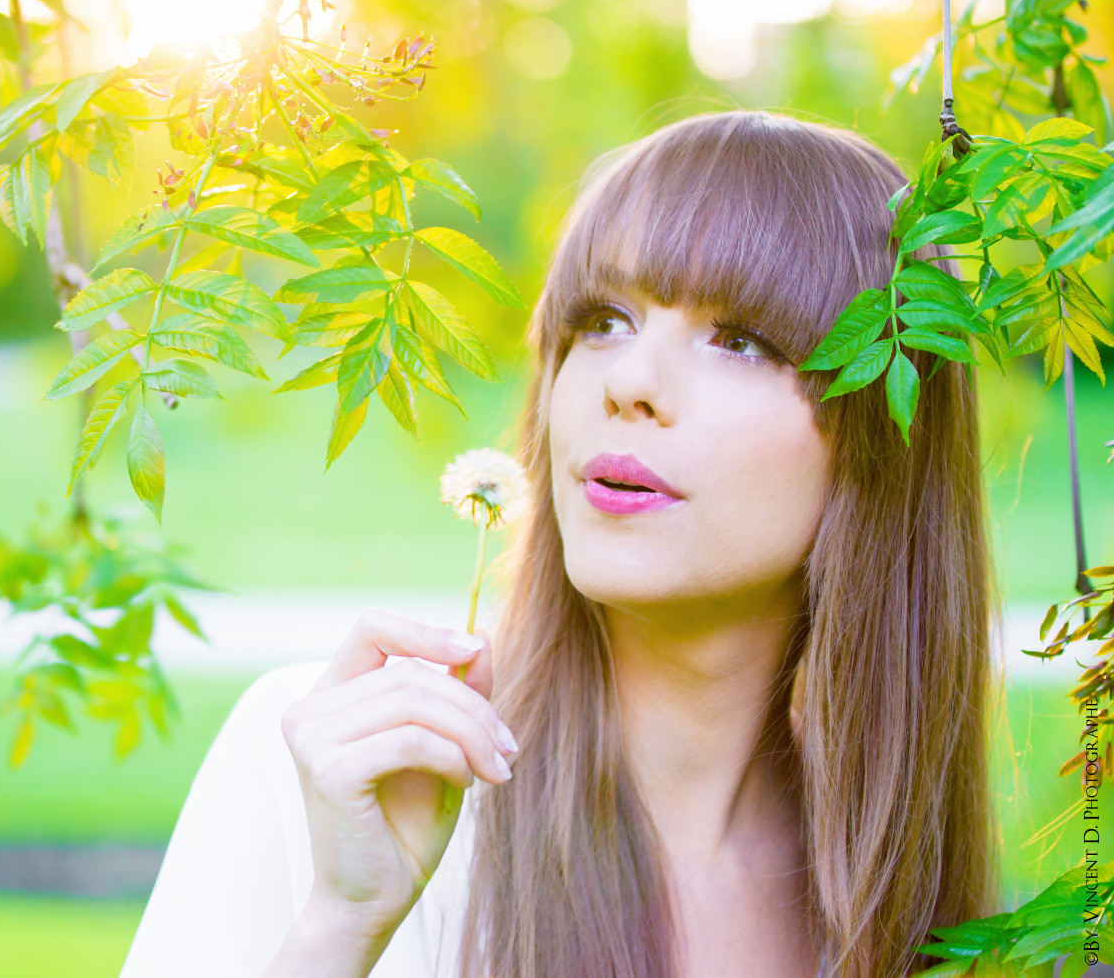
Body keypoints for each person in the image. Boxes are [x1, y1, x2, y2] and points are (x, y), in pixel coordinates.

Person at [119, 109, 999, 978]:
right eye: (603, 320)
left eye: (740, 340)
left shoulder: (896, 896)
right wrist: (341, 930)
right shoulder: (336, 769)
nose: (629, 381)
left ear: (887, 433)